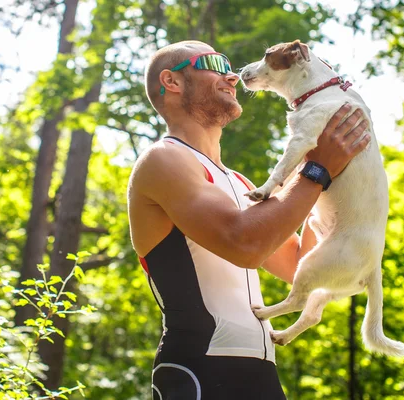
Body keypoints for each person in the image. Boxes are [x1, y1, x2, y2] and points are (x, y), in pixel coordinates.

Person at [127, 40, 370, 400]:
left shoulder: (241, 183)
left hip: (263, 371)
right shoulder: (163, 160)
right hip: (200, 369)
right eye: (213, 63)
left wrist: (343, 177)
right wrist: (317, 168)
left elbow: (296, 265)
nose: (232, 75)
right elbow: (245, 245)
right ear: (172, 82)